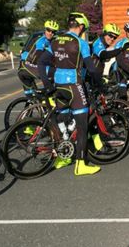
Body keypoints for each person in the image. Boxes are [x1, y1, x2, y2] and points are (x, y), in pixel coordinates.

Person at [38, 12, 104, 176]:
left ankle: (64, 157)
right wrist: (101, 85)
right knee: (82, 126)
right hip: (74, 85)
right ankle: (81, 165)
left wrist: (47, 84)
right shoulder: (81, 43)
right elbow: (92, 68)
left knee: (63, 121)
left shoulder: (55, 41)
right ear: (80, 27)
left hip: (59, 86)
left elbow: (41, 62)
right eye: (84, 29)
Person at [17, 20, 57, 96]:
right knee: (57, 72)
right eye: (48, 30)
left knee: (33, 96)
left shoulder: (49, 41)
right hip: (27, 67)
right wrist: (53, 63)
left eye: (53, 32)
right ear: (45, 30)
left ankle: (35, 101)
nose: (50, 33)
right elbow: (39, 55)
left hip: (24, 67)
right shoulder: (42, 40)